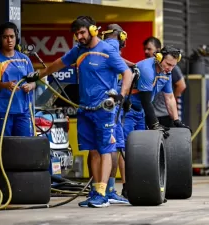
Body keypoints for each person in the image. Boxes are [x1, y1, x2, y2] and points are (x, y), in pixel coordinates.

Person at [25, 16, 133, 208]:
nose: (79, 37)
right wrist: (37, 76)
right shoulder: (78, 51)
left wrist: (120, 96)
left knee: (105, 148)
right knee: (92, 150)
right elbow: (58, 63)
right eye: (76, 34)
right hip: (85, 109)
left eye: (82, 32)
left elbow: (127, 73)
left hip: (104, 109)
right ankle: (95, 191)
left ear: (93, 30)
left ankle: (102, 192)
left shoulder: (108, 50)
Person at [101, 23, 135, 203]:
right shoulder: (113, 44)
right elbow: (122, 67)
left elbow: (119, 61)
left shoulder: (101, 46)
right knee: (114, 145)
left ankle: (101, 189)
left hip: (98, 102)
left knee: (103, 147)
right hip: (111, 103)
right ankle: (110, 190)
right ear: (121, 36)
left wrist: (133, 64)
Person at [0, 22, 36, 136]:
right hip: (2, 111)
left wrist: (30, 86)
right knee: (4, 147)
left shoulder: (24, 59)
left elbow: (34, 81)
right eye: (5, 37)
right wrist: (5, 85)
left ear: (16, 38)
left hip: (23, 112)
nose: (9, 40)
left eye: (12, 37)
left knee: (23, 146)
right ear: (0, 38)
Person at [143, 36, 186, 127]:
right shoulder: (146, 68)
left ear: (158, 52)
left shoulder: (168, 68)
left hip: (164, 112)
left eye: (149, 49)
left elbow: (181, 86)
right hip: (148, 113)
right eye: (145, 49)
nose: (146, 51)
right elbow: (145, 100)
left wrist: (176, 119)